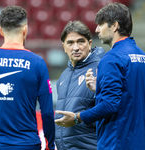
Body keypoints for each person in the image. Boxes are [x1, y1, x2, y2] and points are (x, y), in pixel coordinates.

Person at [55, 2, 145, 150]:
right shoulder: (141, 55)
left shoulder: (111, 58)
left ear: (114, 26)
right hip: (138, 141)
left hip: (116, 142)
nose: (97, 29)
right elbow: (129, 95)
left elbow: (110, 105)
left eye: (101, 24)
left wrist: (77, 118)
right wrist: (99, 89)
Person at [0, 5, 55, 150]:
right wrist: (50, 144)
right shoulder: (38, 63)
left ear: (1, 30)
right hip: (28, 144)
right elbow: (47, 112)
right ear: (25, 29)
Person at [54, 20, 105, 150]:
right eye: (70, 43)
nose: (75, 47)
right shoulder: (63, 76)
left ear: (90, 43)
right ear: (64, 47)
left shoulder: (101, 69)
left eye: (80, 41)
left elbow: (110, 108)